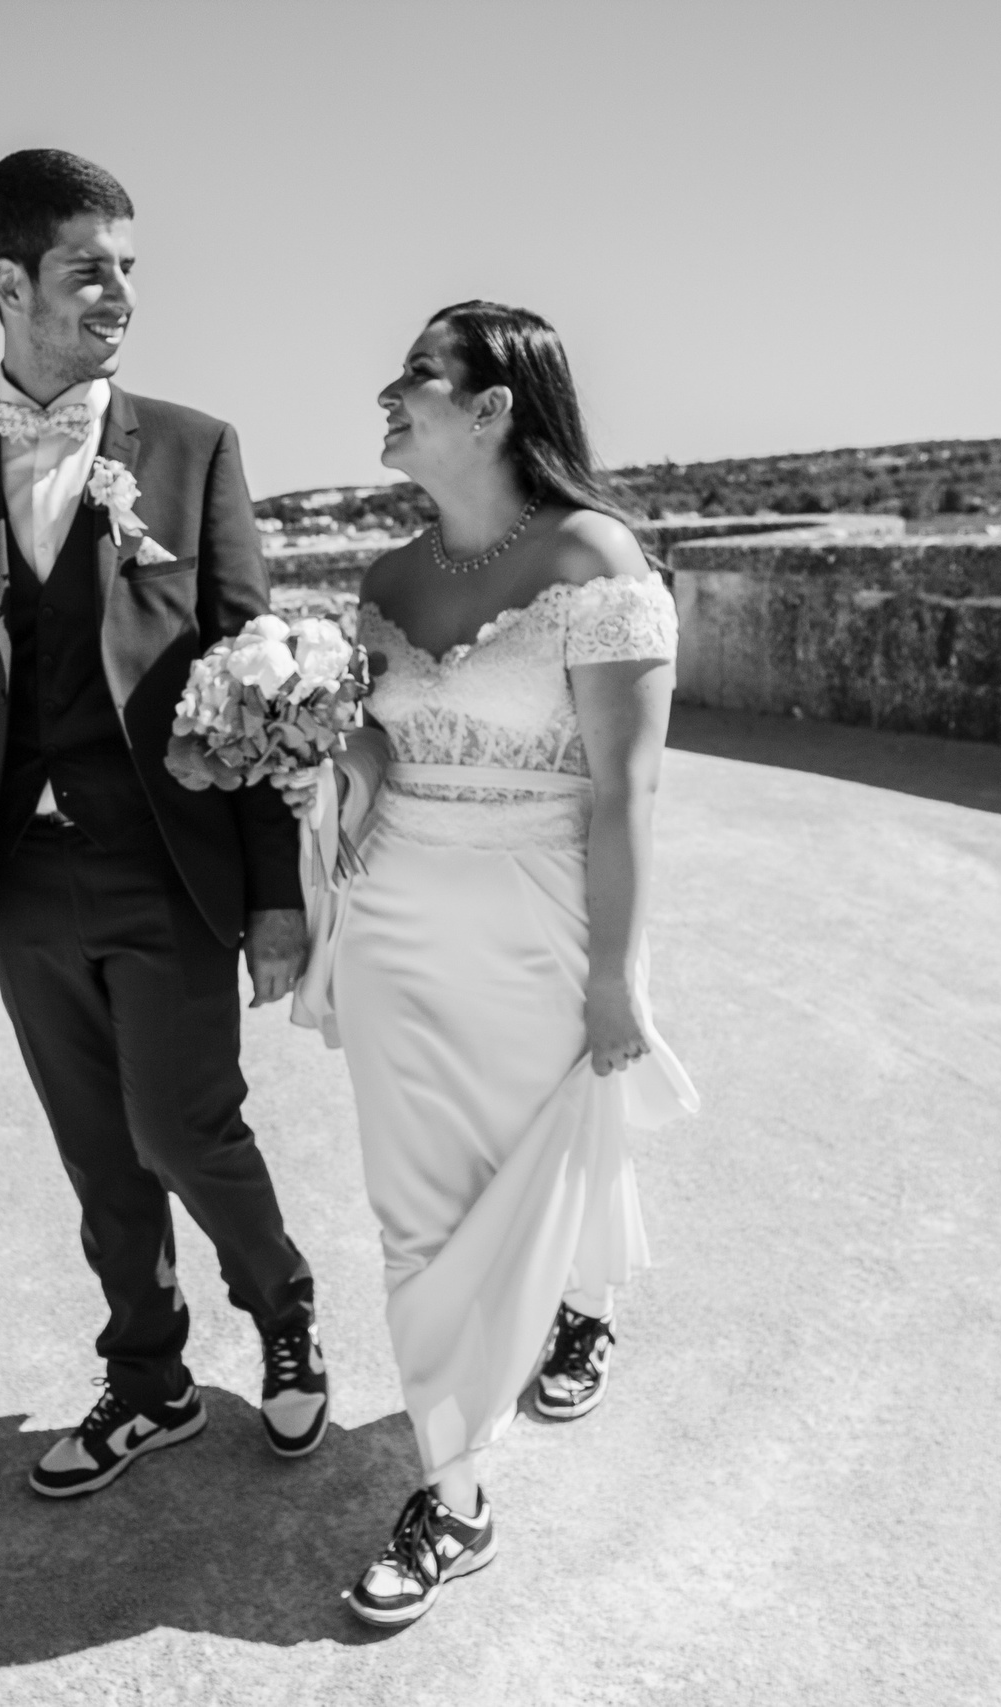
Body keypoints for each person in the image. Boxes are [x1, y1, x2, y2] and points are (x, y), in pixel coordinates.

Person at [0, 150, 327, 1499]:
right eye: (88, 268)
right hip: (21, 876)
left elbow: (258, 681)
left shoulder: (194, 449)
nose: (119, 290)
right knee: (95, 1148)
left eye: (129, 264)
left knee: (184, 1125)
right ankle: (148, 1378)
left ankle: (285, 1320)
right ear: (11, 284)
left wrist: (278, 896)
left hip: (164, 861)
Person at [285, 301, 699, 1626]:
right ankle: (454, 1494)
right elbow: (383, 755)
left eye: (417, 376)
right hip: (397, 919)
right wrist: (305, 721)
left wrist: (612, 976)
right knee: (417, 1211)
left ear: (492, 408)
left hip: (539, 920)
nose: (386, 395)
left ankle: (579, 1304)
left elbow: (623, 793)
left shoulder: (595, 556)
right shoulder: (385, 582)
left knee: (544, 1161)